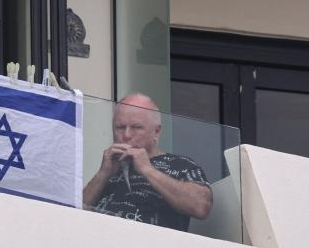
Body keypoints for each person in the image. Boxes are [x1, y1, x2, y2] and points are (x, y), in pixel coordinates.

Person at [83, 93, 212, 231]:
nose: (126, 135)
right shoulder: (110, 170)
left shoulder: (181, 165)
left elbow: (201, 205)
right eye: (120, 127)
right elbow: (69, 214)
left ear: (156, 131)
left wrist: (148, 170)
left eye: (136, 127)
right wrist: (102, 174)